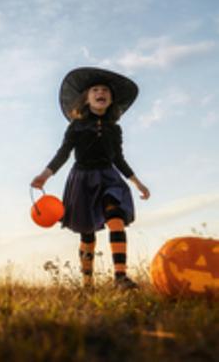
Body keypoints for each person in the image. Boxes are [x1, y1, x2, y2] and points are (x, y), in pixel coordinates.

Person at [31, 67, 150, 290]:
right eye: (95, 89)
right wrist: (44, 176)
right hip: (83, 180)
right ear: (87, 98)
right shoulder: (75, 126)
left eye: (105, 90)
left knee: (115, 216)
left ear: (111, 99)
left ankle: (120, 277)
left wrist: (137, 183)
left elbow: (119, 159)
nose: (100, 92)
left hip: (108, 177)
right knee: (87, 232)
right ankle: (87, 283)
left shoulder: (115, 130)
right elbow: (63, 153)